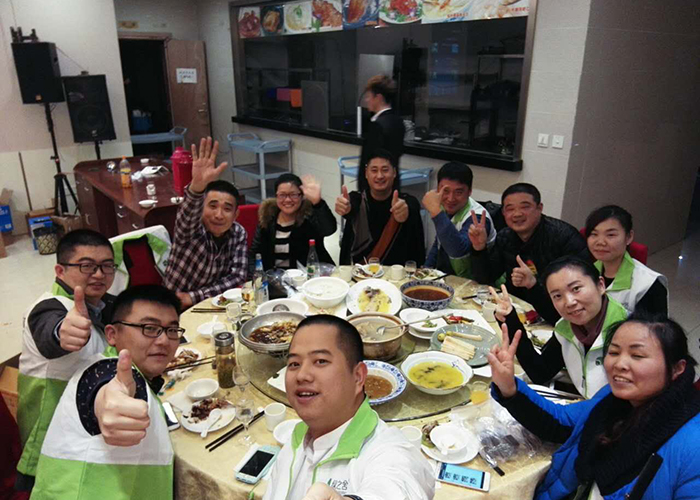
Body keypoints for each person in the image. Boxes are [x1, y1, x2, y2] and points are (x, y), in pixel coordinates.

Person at [487, 314, 700, 500]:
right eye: (614, 352)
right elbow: (560, 422)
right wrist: (509, 387)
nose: (619, 364)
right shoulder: (613, 399)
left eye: (637, 356)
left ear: (677, 369)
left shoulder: (692, 446)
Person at [30, 285, 183, 500]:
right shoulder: (108, 371)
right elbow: (105, 391)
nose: (164, 340)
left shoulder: (135, 373)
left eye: (172, 330)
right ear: (112, 334)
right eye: (149, 328)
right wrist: (110, 408)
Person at [263, 315, 434, 500]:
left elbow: (397, 487)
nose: (302, 375)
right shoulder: (297, 438)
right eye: (294, 364)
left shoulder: (389, 450)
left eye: (320, 361)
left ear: (358, 376)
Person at [16, 229, 116, 493]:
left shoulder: (101, 303)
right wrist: (63, 332)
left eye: (107, 266)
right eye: (87, 266)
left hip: (88, 425)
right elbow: (50, 330)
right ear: (60, 271)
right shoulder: (48, 307)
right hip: (49, 441)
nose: (99, 274)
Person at [493, 256, 628, 398]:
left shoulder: (629, 332)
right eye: (557, 296)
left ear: (600, 285)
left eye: (576, 289)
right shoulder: (567, 327)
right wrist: (510, 319)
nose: (569, 302)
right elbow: (540, 372)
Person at [470, 182, 590, 324]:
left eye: (525, 207)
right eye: (510, 209)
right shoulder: (505, 236)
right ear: (503, 213)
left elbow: (576, 298)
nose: (517, 214)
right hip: (516, 312)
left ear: (539, 208)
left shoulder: (564, 237)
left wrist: (533, 284)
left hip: (557, 318)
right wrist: (479, 248)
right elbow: (485, 278)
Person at [164, 137, 248, 308]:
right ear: (201, 207)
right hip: (174, 305)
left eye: (227, 209)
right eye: (212, 206)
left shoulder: (238, 233)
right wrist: (197, 187)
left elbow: (238, 276)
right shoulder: (191, 229)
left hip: (212, 304)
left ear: (235, 214)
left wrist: (194, 296)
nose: (219, 215)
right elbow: (187, 215)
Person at [336, 150, 425, 266]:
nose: (379, 176)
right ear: (366, 173)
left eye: (385, 170)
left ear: (394, 173)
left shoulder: (405, 203)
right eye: (374, 170)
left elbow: (412, 206)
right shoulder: (356, 200)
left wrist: (407, 212)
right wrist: (344, 207)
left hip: (397, 273)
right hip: (359, 272)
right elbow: (350, 206)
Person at [585, 205, 668, 316]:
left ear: (629, 237)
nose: (600, 242)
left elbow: (654, 327)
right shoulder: (585, 273)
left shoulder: (648, 285)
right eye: (594, 234)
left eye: (610, 235)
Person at [249, 173, 336, 273]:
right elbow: (254, 253)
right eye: (282, 195)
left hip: (308, 274)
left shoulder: (309, 216)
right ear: (276, 196)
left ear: (301, 196)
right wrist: (255, 276)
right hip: (276, 276)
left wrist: (318, 203)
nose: (288, 200)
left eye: (293, 195)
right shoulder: (267, 219)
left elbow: (329, 229)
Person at [423, 162, 496, 277]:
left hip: (477, 283)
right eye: (445, 191)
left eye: (458, 192)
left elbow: (459, 251)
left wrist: (436, 212)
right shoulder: (443, 208)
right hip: (448, 277)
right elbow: (439, 244)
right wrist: (425, 271)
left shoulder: (477, 217)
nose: (450, 198)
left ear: (470, 191)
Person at [359, 75, 405, 177]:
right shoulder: (398, 121)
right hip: (392, 179)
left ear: (378, 98)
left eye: (369, 96)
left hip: (377, 182)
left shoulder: (377, 126)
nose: (366, 100)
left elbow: (369, 162)